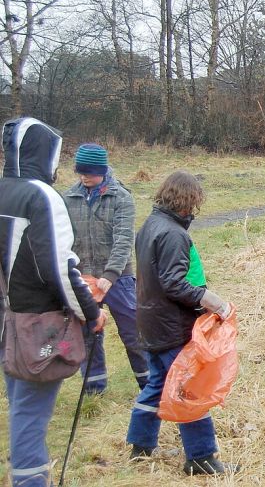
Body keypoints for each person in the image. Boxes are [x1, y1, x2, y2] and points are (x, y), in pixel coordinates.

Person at [1, 117, 107, 487]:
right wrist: (91, 312)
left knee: (19, 406)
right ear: (43, 154)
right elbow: (61, 270)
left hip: (9, 321)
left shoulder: (3, 189)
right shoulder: (41, 197)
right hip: (39, 325)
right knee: (31, 413)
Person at [126, 170, 237, 476]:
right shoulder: (174, 234)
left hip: (149, 321)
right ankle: (201, 458)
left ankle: (140, 445)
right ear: (188, 201)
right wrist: (214, 302)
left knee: (157, 383)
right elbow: (174, 284)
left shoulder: (149, 225)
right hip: (171, 325)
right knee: (191, 390)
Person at [63, 143, 149, 394]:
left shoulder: (121, 197)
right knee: (90, 334)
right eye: (80, 171)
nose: (83, 176)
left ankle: (150, 385)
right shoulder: (68, 198)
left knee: (133, 332)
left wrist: (110, 275)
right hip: (85, 279)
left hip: (118, 279)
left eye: (89, 171)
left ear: (101, 170)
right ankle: (93, 390)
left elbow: (124, 239)